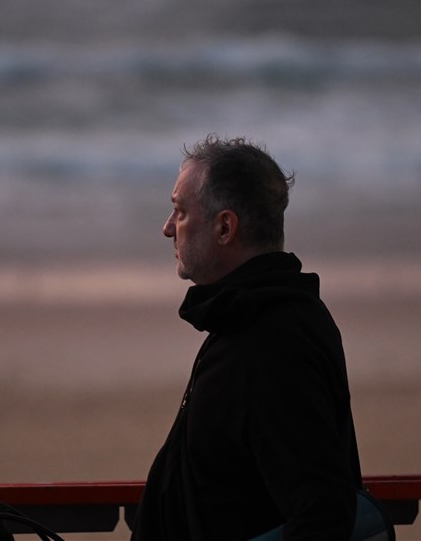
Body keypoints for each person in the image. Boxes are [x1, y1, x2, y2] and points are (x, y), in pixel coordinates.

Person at [131, 135, 363, 541]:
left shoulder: (274, 342)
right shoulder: (251, 318)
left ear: (224, 227)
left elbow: (322, 513)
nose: (167, 228)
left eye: (180, 212)